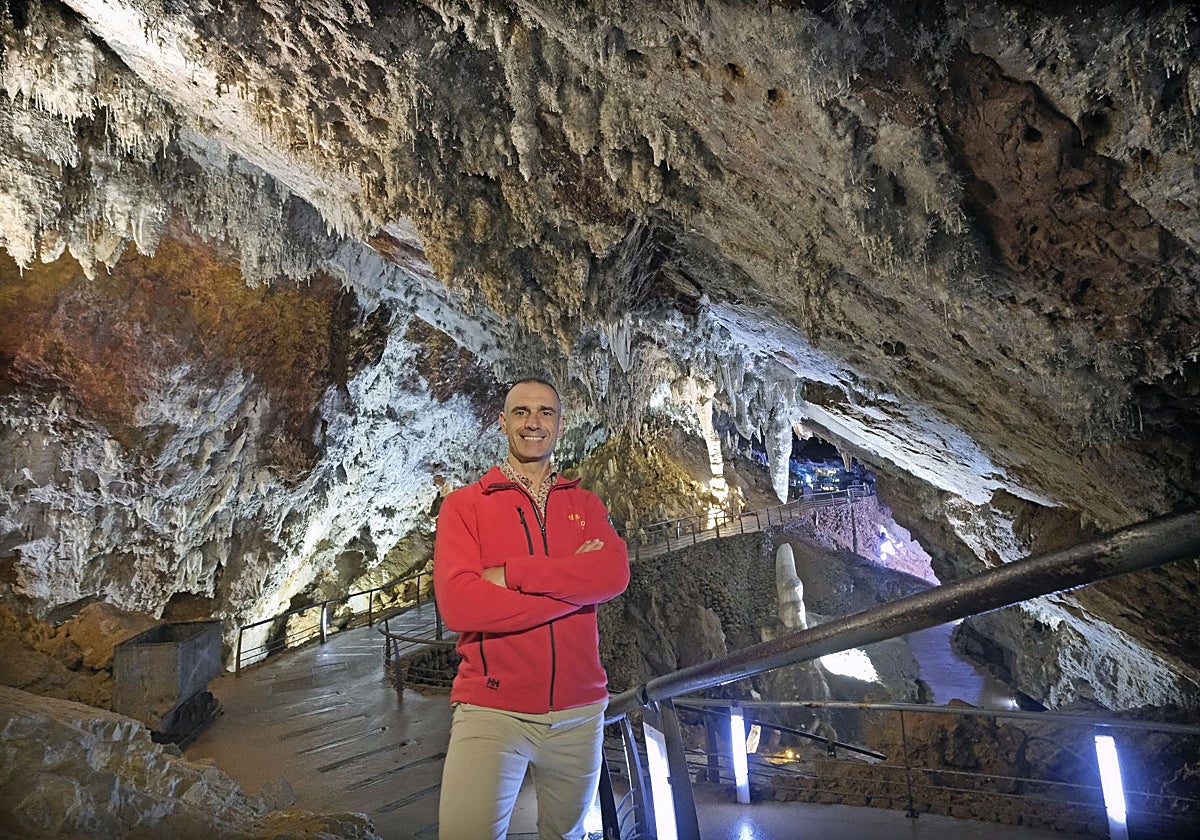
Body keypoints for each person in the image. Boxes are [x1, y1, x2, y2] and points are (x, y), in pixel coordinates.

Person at [433, 378, 630, 840]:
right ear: (503, 423)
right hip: (491, 708)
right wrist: (574, 588)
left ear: (560, 426)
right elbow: (461, 605)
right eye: (521, 412)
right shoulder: (465, 507)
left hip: (580, 712)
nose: (533, 423)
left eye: (545, 413)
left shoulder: (585, 503)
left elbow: (614, 576)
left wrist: (514, 575)